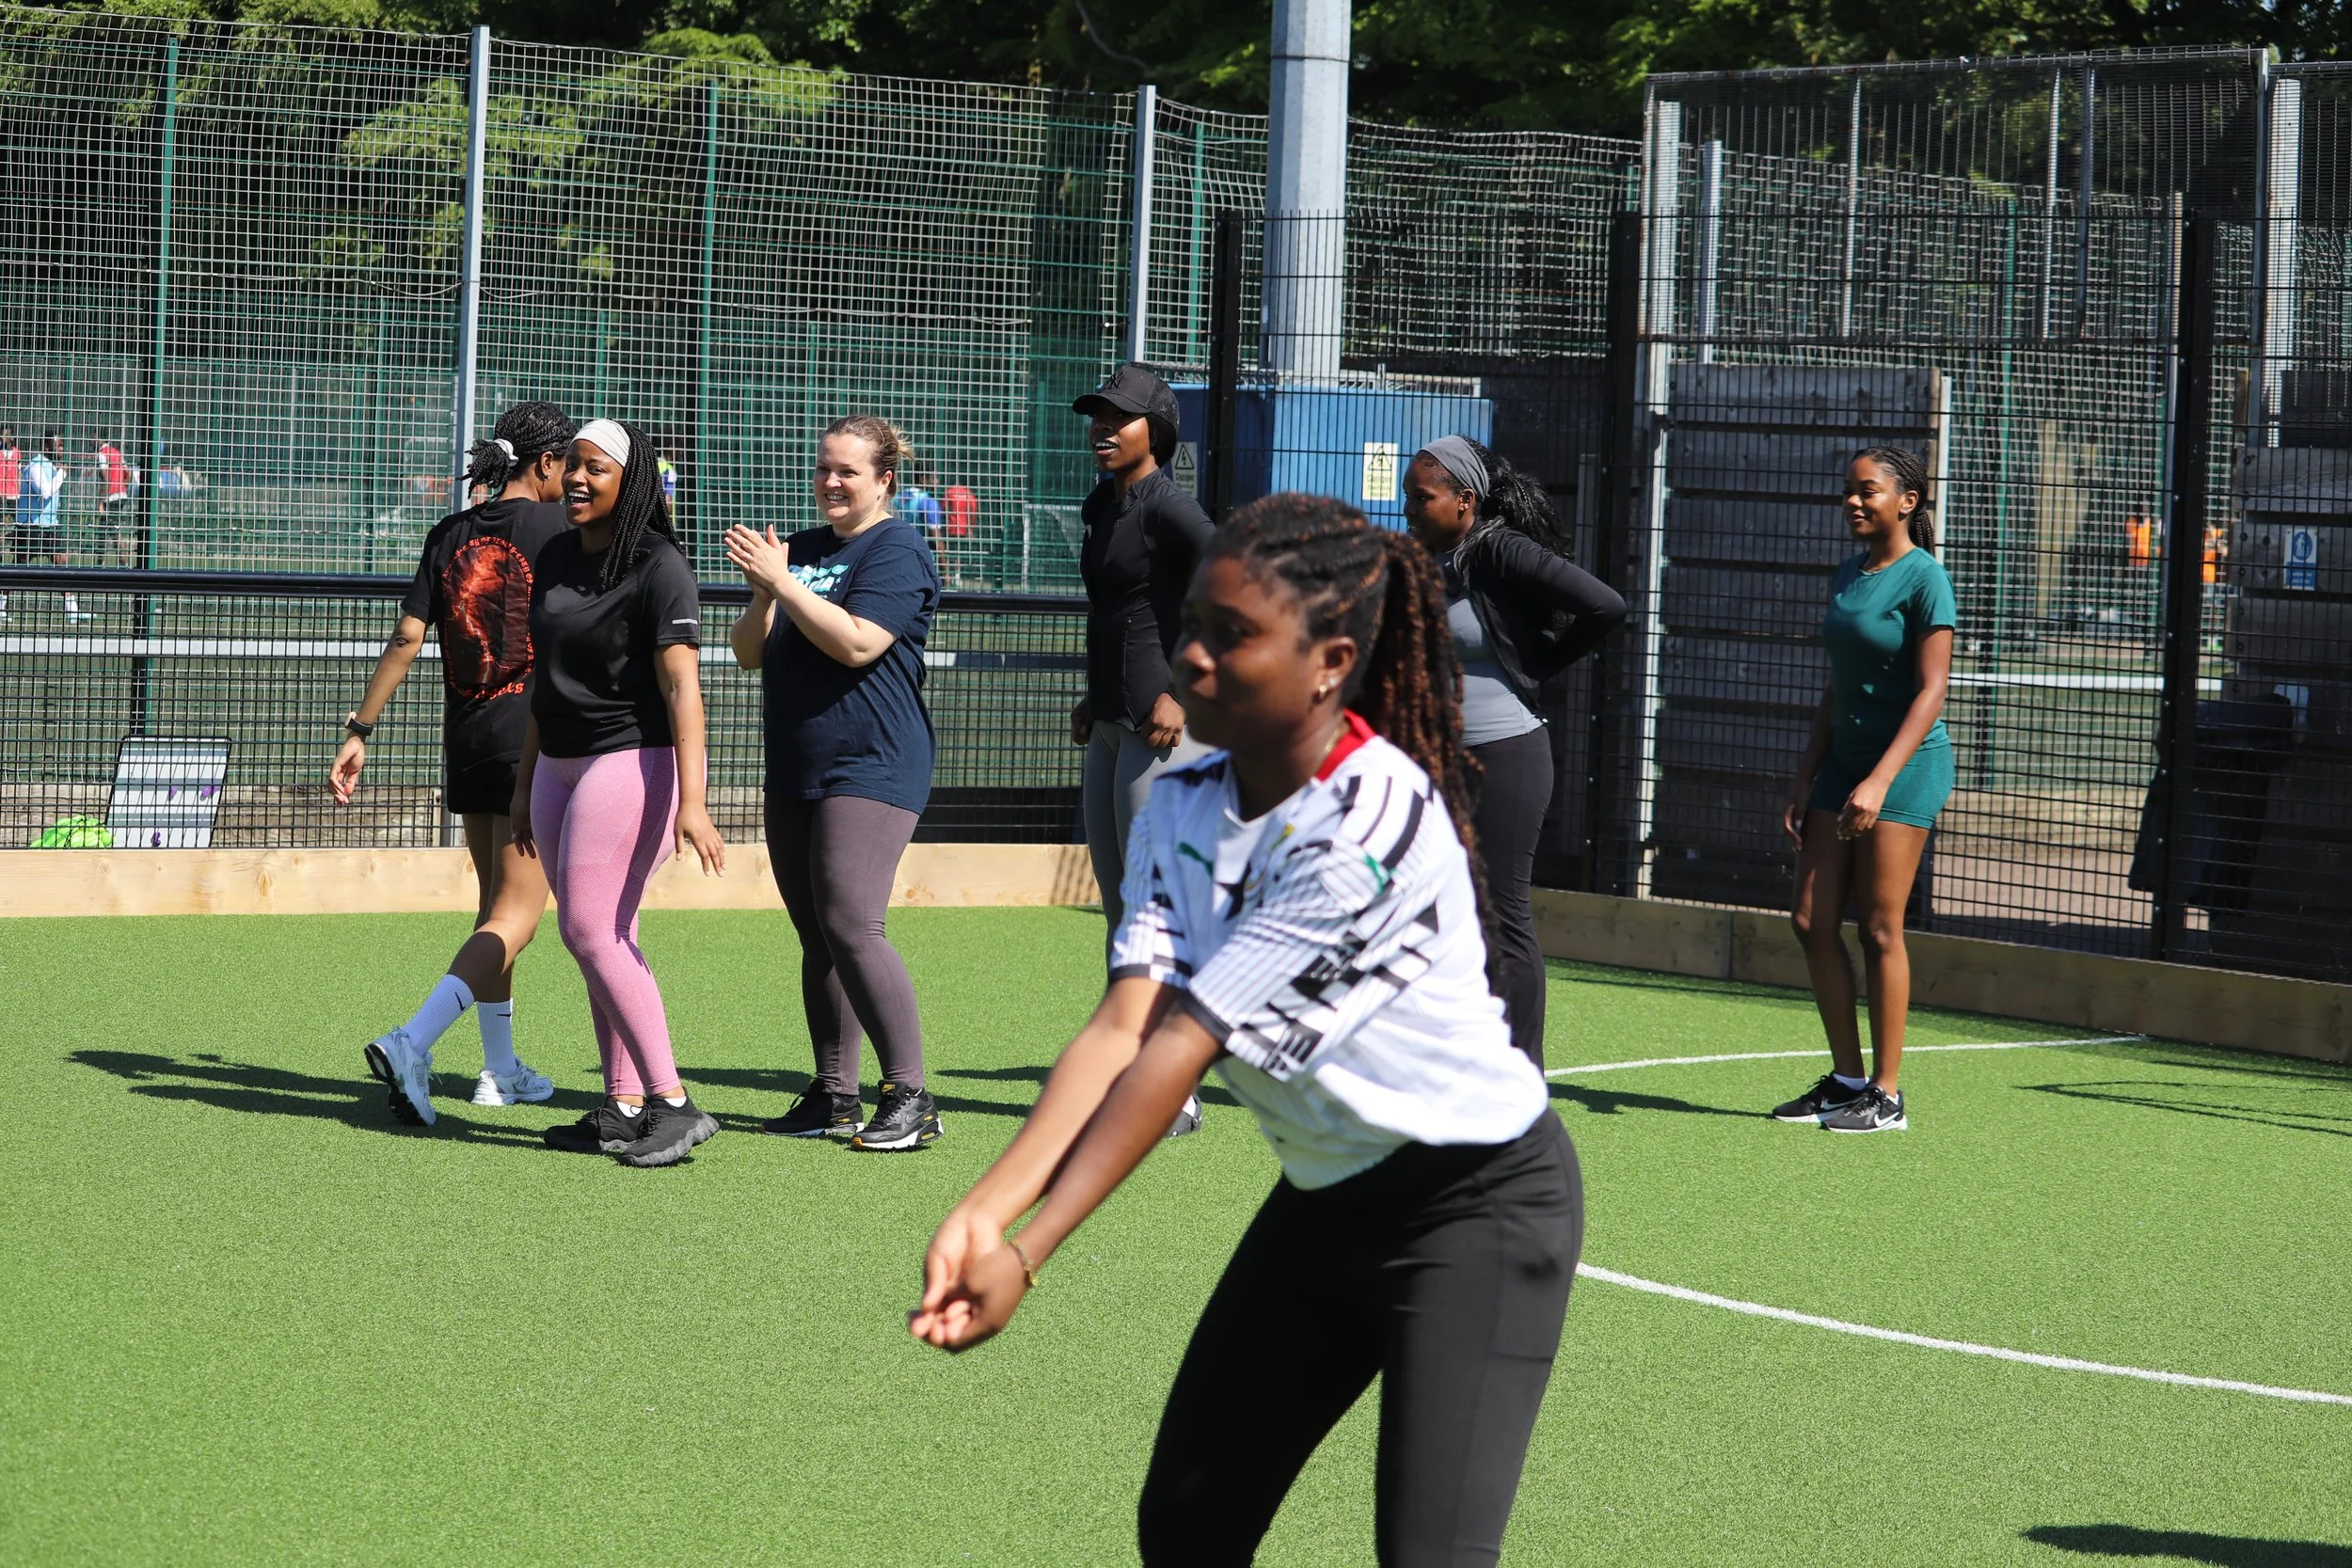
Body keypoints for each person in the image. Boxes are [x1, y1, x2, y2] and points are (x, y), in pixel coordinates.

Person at [912, 494, 1581, 1568]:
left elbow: (1180, 1042)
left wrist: (1030, 1250)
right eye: (1191, 624)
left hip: (1475, 1211)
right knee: (1185, 1525)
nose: (1191, 656)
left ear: (1330, 661)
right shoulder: (1184, 793)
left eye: (1233, 635)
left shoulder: (1364, 825)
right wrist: (983, 1209)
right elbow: (1121, 1020)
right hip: (1322, 1201)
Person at [342, 403, 578, 1121]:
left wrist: (359, 729)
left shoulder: (449, 533)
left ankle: (501, 1070)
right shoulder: (561, 534)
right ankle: (412, 1039)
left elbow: (408, 636)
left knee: (493, 910)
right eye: (566, 463)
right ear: (545, 463)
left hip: (470, 739)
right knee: (521, 916)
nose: (572, 477)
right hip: (533, 744)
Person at [509, 418, 727, 1164]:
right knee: (603, 935)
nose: (575, 478)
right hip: (556, 764)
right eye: (571, 465)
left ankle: (674, 1102)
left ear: (628, 481)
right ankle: (623, 1103)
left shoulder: (660, 563)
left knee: (590, 932)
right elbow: (545, 677)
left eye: (595, 468)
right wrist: (523, 783)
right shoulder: (557, 554)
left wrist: (693, 801)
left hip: (632, 760)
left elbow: (682, 687)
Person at [725, 416, 944, 1151]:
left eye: (847, 471)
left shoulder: (899, 549)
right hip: (796, 765)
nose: (831, 482)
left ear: (885, 480)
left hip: (874, 763)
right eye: (824, 469)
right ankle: (834, 1094)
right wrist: (764, 591)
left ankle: (912, 1094)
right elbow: (748, 653)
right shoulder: (806, 549)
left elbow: (858, 642)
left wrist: (782, 580)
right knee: (816, 932)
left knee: (852, 922)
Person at [1403, 436, 1626, 1069]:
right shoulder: (1423, 557)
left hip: (1505, 758)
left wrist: (1538, 666)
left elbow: (1606, 605)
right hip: (1435, 762)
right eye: (1407, 498)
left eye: (1422, 498)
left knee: (1500, 915)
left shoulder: (1498, 549)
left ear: (1465, 501)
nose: (1410, 509)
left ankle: (1519, 1075)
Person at [1774, 446, 1956, 1135]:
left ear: (1906, 500)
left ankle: (1887, 1093)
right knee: (1810, 920)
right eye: (1847, 492)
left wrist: (1879, 780)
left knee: (1880, 927)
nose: (1853, 501)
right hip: (1843, 766)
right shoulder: (1848, 574)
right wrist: (1806, 773)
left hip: (1904, 769)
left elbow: (1932, 691)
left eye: (1868, 491)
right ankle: (1846, 1079)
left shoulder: (1925, 578)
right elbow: (1838, 687)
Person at [1072, 365, 1216, 1134]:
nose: (1102, 428)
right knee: (1120, 907)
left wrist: (1181, 689)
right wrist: (1096, 694)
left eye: (1119, 418)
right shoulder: (1103, 503)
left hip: (1162, 728)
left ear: (1155, 430)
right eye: (1098, 416)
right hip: (1110, 724)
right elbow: (1122, 611)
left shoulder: (1174, 508)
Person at [7, 431, 79, 623]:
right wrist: (63, 473)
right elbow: (45, 491)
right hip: (31, 525)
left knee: (62, 563)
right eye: (59, 445)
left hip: (49, 526)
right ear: (47, 447)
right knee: (18, 567)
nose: (62, 449)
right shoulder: (36, 466)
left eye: (62, 445)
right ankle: (1, 605)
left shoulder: (51, 467)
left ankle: (72, 611)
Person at [90, 433, 134, 567]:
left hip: (111, 497)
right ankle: (103, 561)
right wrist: (121, 486)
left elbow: (105, 477)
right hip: (121, 495)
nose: (91, 441)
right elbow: (128, 473)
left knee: (113, 531)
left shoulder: (102, 453)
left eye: (93, 438)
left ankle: (122, 563)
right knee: (106, 529)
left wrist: (101, 501)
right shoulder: (116, 452)